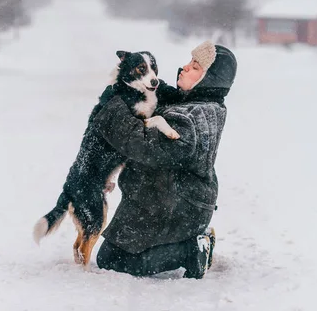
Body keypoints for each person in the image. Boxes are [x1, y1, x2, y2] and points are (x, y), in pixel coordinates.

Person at [92, 40, 237, 279]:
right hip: (167, 202)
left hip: (176, 208)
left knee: (112, 259)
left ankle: (191, 250)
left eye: (196, 67)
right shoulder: (197, 104)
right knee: (113, 251)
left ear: (210, 80)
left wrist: (113, 108)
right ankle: (188, 242)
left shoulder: (194, 117)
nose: (186, 67)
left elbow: (145, 146)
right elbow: (164, 101)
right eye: (190, 61)